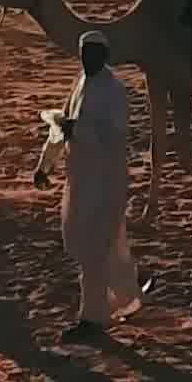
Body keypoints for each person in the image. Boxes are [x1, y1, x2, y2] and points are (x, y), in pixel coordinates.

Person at [55, 31, 141, 340]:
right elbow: (64, 122)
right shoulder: (80, 82)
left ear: (104, 55)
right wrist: (46, 163)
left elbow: (116, 137)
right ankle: (126, 295)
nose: (86, 59)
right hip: (81, 177)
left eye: (92, 53)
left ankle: (92, 319)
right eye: (83, 53)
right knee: (89, 245)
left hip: (105, 180)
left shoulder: (113, 90)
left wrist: (79, 130)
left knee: (94, 250)